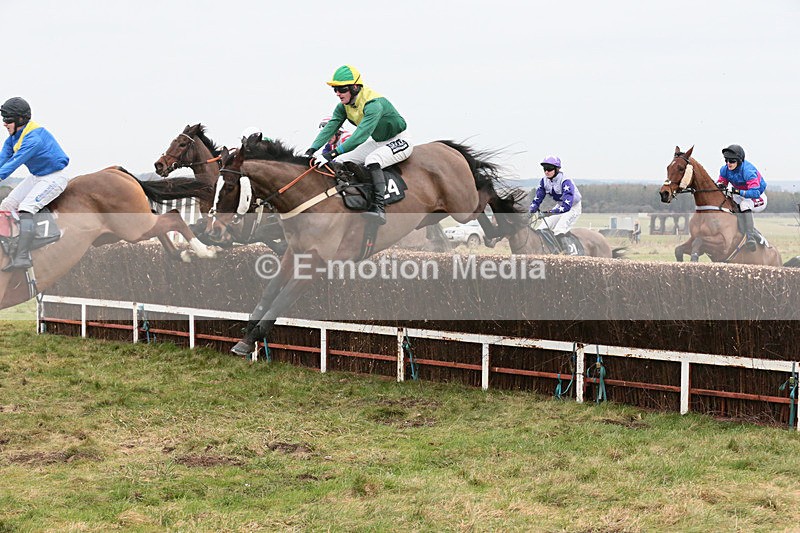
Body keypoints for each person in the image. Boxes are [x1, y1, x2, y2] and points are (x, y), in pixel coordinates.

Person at [304, 65, 412, 225]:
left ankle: (379, 207)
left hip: (400, 140)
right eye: (335, 89)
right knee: (341, 161)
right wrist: (312, 149)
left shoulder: (373, 104)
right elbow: (331, 127)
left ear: (355, 87)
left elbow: (360, 135)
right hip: (379, 141)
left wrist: (332, 153)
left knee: (373, 160)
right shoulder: (343, 107)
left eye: (341, 89)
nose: (337, 93)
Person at [0, 97, 70, 271]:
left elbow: (12, 164)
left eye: (8, 120)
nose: (4, 124)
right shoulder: (13, 138)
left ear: (20, 119)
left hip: (54, 177)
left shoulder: (34, 139)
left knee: (26, 207)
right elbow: (2, 161)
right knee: (7, 204)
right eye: (3, 119)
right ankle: (13, 245)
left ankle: (23, 256)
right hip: (37, 176)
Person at [717, 144, 766, 251]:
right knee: (729, 202)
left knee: (744, 205)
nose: (728, 164)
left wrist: (737, 191)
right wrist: (720, 185)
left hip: (758, 196)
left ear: (739, 161)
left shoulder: (748, 171)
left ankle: (750, 238)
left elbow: (755, 192)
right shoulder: (724, 169)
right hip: (741, 195)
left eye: (732, 161)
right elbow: (722, 183)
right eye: (726, 160)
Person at [528, 156, 582, 253]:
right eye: (545, 169)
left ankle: (569, 254)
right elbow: (537, 199)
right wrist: (530, 211)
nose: (546, 172)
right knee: (541, 229)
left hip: (572, 208)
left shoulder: (566, 181)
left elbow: (566, 207)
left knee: (559, 230)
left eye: (549, 169)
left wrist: (549, 212)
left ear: (557, 169)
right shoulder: (544, 181)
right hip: (560, 206)